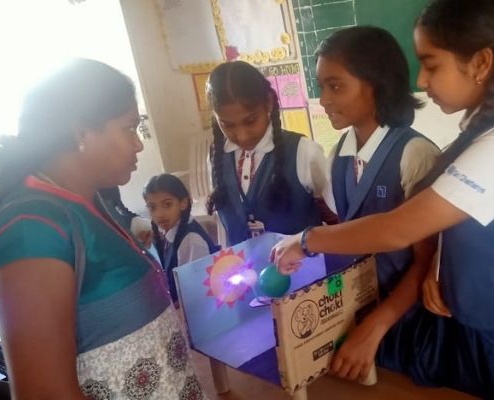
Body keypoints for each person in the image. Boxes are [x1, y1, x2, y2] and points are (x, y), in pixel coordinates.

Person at [271, 0, 494, 398]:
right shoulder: (480, 131)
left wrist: (307, 240)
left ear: (480, 63)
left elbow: (397, 229)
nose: (421, 80)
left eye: (431, 65)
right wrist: (441, 268)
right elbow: (462, 217)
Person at [0, 59, 206, 399]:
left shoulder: (89, 201)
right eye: (129, 128)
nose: (139, 144)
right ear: (81, 133)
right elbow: (45, 394)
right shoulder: (32, 229)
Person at [314, 26, 442, 383]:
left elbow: (429, 262)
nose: (323, 100)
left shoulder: (415, 154)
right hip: (363, 318)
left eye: (335, 86)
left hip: (411, 326)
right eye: (321, 86)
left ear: (376, 85)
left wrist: (376, 325)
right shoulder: (338, 156)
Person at [206, 61, 332, 246]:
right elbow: (224, 225)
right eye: (227, 125)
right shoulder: (217, 155)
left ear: (269, 103)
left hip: (305, 263)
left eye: (250, 121)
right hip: (242, 263)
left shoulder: (304, 151)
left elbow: (336, 214)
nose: (242, 135)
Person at [144, 173, 218, 303]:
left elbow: (197, 292)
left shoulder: (191, 240)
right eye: (152, 207)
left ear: (183, 203)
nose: (159, 214)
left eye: (167, 205)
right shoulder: (165, 233)